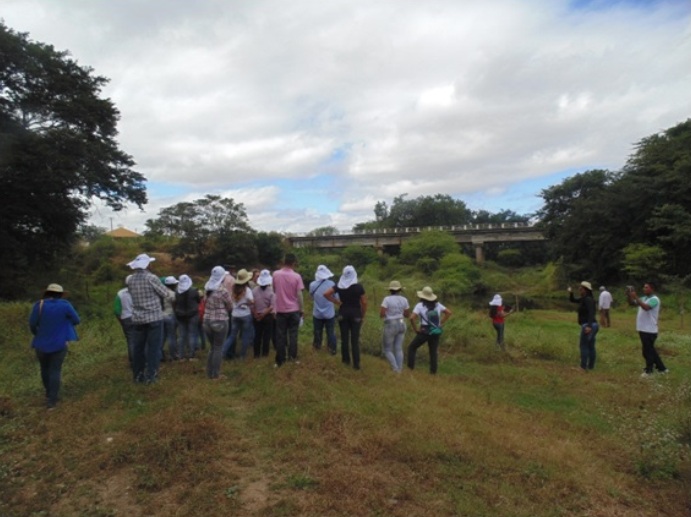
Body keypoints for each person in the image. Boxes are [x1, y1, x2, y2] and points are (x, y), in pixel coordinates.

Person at [29, 283, 80, 409]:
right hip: (60, 343)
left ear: (47, 293)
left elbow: (32, 324)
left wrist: (38, 334)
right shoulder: (65, 305)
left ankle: (48, 393)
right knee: (55, 370)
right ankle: (52, 400)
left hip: (41, 343)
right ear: (61, 294)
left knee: (44, 369)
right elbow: (76, 320)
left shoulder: (39, 305)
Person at [127, 253, 175, 384]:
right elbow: (165, 293)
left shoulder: (130, 279)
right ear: (147, 264)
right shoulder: (151, 278)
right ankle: (151, 377)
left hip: (137, 318)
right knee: (153, 348)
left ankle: (138, 376)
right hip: (154, 317)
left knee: (138, 349)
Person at [324, 265, 367, 370]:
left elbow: (326, 294)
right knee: (354, 340)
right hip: (356, 314)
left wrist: (336, 302)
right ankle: (356, 364)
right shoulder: (358, 287)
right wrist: (362, 315)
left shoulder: (339, 286)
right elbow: (364, 302)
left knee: (344, 339)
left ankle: (345, 361)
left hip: (343, 313)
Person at [407, 286, 451, 375]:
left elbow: (412, 318)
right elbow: (448, 312)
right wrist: (440, 323)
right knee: (433, 352)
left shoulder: (420, 305)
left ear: (422, 296)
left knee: (412, 347)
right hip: (435, 330)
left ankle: (410, 368)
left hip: (424, 330)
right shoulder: (437, 305)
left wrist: (416, 329)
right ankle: (433, 372)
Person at [628, 282, 668, 377]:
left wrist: (636, 297)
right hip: (643, 328)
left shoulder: (655, 299)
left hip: (650, 329)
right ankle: (662, 368)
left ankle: (649, 371)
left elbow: (646, 307)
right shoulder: (644, 298)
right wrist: (629, 296)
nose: (644, 289)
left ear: (652, 289)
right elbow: (632, 304)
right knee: (650, 350)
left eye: (646, 287)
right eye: (644, 287)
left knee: (647, 351)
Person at [272, 253, 305, 367]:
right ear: (294, 262)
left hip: (280, 310)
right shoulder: (297, 276)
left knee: (280, 336)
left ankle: (280, 360)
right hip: (293, 310)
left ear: (283, 261)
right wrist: (302, 309)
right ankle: (293, 358)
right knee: (293, 335)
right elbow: (299, 295)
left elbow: (274, 290)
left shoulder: (275, 274)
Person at [202, 266, 233, 379]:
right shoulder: (222, 290)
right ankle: (215, 374)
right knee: (218, 347)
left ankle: (209, 372)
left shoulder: (207, 289)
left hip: (206, 320)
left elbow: (204, 302)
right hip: (220, 321)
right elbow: (230, 305)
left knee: (212, 347)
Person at [222, 268, 255, 360]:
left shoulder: (233, 288)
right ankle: (242, 356)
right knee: (245, 335)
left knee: (232, 336)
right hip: (245, 315)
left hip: (234, 314)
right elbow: (252, 301)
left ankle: (222, 352)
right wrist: (247, 303)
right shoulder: (247, 290)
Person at [379, 280, 410, 373]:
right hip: (401, 322)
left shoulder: (387, 299)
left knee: (387, 349)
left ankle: (395, 368)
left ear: (390, 290)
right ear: (400, 290)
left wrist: (386, 316)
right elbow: (407, 314)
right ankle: (400, 369)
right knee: (398, 348)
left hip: (391, 323)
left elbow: (382, 313)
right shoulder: (404, 300)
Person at [568, 281, 599, 371]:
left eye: (581, 288)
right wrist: (570, 293)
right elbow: (573, 300)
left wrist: (589, 326)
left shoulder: (588, 300)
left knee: (584, 346)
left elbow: (591, 313)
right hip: (592, 325)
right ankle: (590, 366)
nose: (579, 289)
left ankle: (582, 367)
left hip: (588, 325)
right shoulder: (584, 299)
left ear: (585, 290)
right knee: (590, 345)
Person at [309, 265, 338, 355]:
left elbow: (312, 297)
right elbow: (336, 298)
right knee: (331, 332)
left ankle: (317, 348)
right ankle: (332, 350)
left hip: (317, 313)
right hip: (329, 314)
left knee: (317, 332)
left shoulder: (312, 284)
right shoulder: (332, 284)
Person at [175, 274, 201, 360]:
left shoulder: (176, 291)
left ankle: (181, 355)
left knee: (182, 335)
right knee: (192, 334)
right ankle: (191, 355)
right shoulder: (193, 291)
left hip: (180, 315)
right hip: (192, 314)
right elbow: (198, 300)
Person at [252, 269, 275, 358]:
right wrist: (263, 314)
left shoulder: (254, 290)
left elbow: (252, 304)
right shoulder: (271, 291)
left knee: (257, 335)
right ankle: (265, 354)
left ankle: (256, 354)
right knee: (266, 336)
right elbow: (272, 306)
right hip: (267, 316)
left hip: (256, 316)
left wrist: (256, 314)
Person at [114, 275, 134, 367]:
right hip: (138, 318)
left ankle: (133, 361)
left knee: (130, 340)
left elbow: (117, 311)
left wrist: (121, 322)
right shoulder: (140, 291)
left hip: (126, 318)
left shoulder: (120, 293)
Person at [162, 276, 179, 361]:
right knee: (171, 336)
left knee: (163, 336)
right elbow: (174, 306)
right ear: (172, 285)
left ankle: (160, 353)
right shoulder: (172, 294)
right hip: (170, 315)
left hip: (161, 316)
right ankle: (173, 355)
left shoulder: (161, 292)